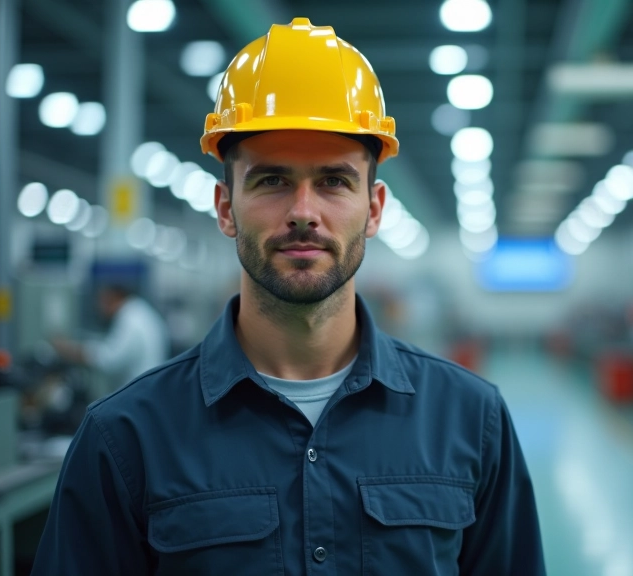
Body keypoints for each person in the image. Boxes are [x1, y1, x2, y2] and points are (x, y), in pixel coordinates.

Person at [32, 18, 545, 576]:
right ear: (226, 208)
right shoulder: (124, 437)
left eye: (334, 181)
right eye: (272, 180)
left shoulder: (471, 420)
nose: (303, 212)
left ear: (374, 209)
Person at [51, 283, 169, 391]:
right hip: (146, 386)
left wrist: (73, 351)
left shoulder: (129, 317)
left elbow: (110, 360)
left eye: (103, 301)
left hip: (139, 390)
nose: (99, 308)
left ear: (114, 297)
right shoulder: (139, 310)